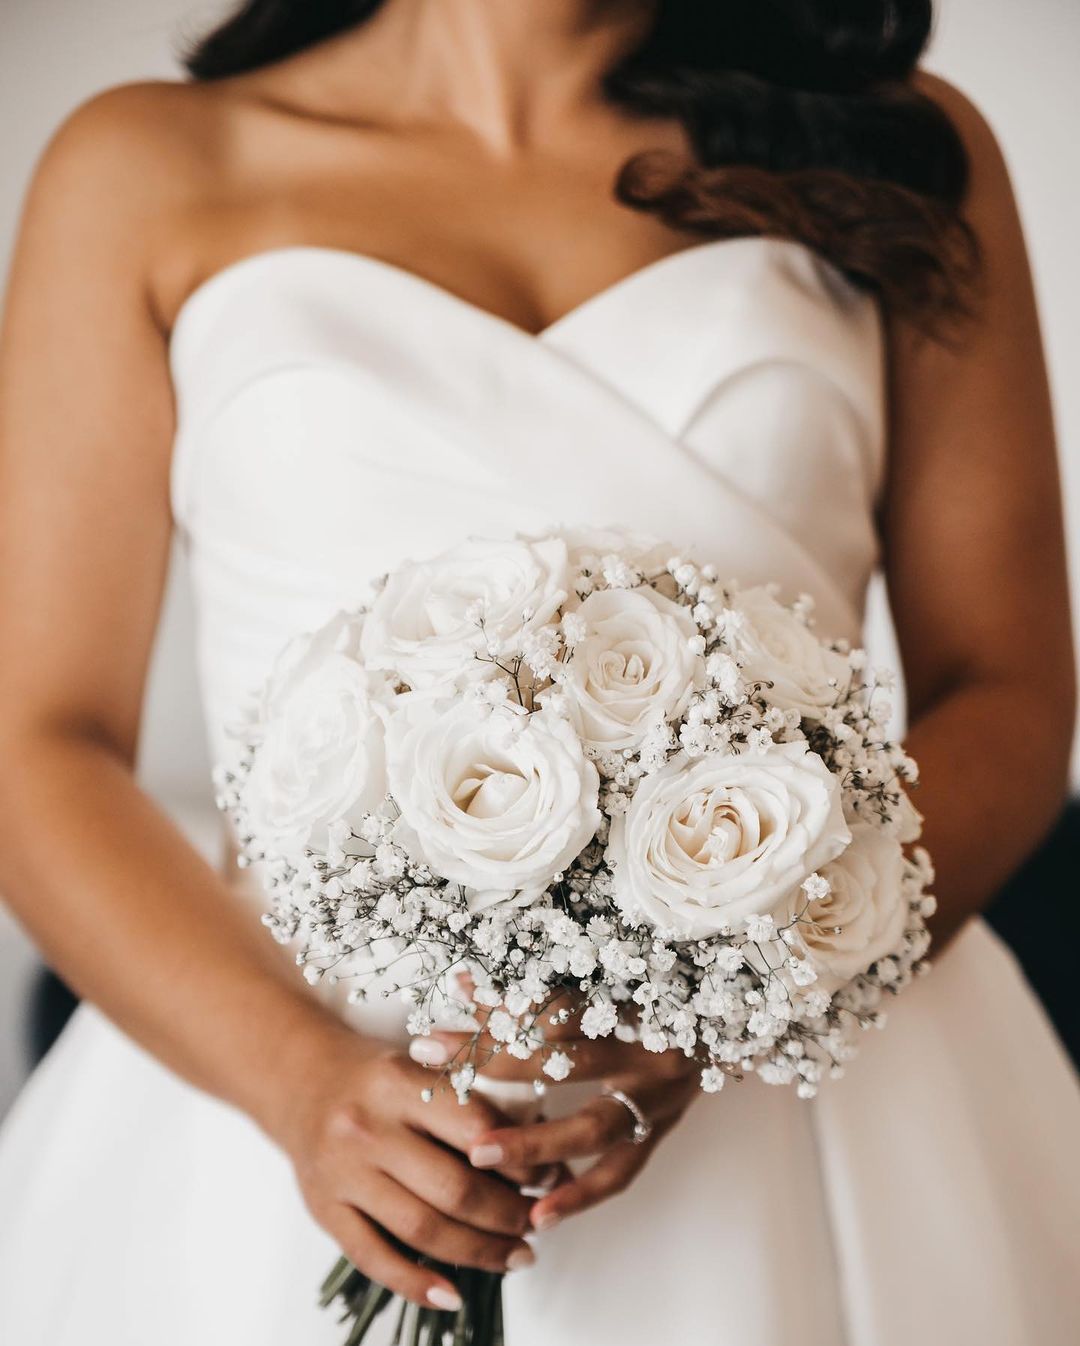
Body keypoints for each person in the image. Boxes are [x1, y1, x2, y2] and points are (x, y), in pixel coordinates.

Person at [0, 3, 1077, 1343]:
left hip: (806, 1104)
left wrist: (740, 998)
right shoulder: (144, 169)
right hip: (274, 1085)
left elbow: (1011, 691)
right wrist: (299, 1083)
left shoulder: (898, 144)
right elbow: (39, 741)